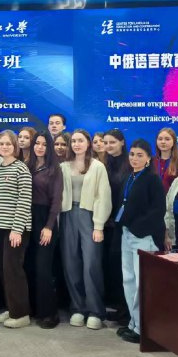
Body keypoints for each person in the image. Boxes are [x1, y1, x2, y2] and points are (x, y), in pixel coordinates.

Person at [59, 129, 111, 330]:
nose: (76, 144)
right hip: (67, 215)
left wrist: (99, 225)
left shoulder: (98, 167)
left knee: (91, 264)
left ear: (88, 143)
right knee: (71, 263)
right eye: (73, 141)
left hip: (89, 216)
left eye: (80, 141)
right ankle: (78, 308)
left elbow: (103, 197)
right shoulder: (63, 166)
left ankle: (95, 310)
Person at [115, 139, 166, 344]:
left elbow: (158, 211)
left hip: (144, 237)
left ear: (148, 159)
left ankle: (143, 328)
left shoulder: (152, 179)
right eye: (132, 154)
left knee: (141, 283)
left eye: (139, 155)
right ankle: (134, 323)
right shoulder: (130, 177)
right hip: (126, 234)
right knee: (129, 280)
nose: (134, 158)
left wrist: (138, 229)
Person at [0, 131, 33, 329]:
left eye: (8, 144)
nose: (5, 147)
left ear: (15, 146)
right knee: (3, 271)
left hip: (16, 229)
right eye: (1, 144)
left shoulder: (21, 168)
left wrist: (17, 229)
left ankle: (21, 314)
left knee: (13, 270)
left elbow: (25, 200)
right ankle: (11, 308)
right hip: (0, 228)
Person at [26, 131, 63, 329]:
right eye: (37, 143)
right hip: (27, 219)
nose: (40, 147)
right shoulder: (27, 166)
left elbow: (56, 201)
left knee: (43, 268)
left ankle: (49, 313)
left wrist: (49, 226)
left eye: (44, 144)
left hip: (45, 220)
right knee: (29, 266)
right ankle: (33, 308)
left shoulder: (54, 169)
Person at [102, 128, 131, 323]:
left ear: (122, 142)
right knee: (109, 266)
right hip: (104, 222)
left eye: (112, 142)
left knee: (122, 267)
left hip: (122, 223)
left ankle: (125, 309)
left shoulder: (129, 163)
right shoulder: (102, 163)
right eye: (106, 143)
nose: (108, 146)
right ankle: (114, 305)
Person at [153, 127, 178, 192]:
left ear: (174, 141)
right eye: (160, 139)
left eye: (167, 139)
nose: (163, 142)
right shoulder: (151, 162)